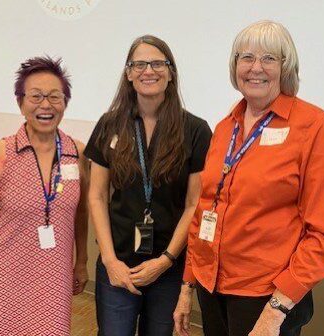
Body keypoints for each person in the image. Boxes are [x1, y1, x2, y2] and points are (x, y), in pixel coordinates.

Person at [174, 20, 324, 336]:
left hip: (267, 296)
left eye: (269, 58)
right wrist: (187, 286)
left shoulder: (313, 125)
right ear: (234, 65)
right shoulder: (226, 127)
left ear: (286, 66)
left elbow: (323, 236)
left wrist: (276, 310)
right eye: (246, 57)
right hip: (212, 289)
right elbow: (203, 213)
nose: (256, 67)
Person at [84, 35, 212, 336]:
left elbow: (195, 204)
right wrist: (109, 259)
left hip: (168, 267)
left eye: (157, 63)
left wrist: (166, 260)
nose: (148, 70)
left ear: (170, 73)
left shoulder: (195, 130)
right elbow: (97, 196)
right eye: (139, 64)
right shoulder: (109, 124)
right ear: (128, 74)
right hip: (118, 264)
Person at [0, 56, 89, 335]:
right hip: (6, 270)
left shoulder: (76, 152)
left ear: (65, 103)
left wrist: (82, 262)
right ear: (20, 102)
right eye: (36, 96)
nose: (45, 105)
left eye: (55, 96)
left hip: (54, 272)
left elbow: (81, 212)